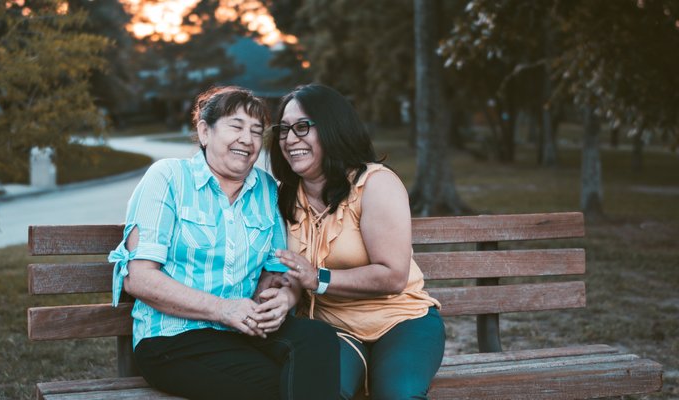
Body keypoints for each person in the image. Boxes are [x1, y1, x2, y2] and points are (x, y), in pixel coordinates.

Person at [108, 86, 340, 400]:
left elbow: (275, 270)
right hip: (173, 339)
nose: (248, 139)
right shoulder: (168, 178)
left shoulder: (268, 190)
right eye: (236, 126)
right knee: (279, 385)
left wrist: (277, 298)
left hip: (241, 330)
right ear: (205, 131)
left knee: (317, 339)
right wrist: (222, 309)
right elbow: (139, 278)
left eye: (257, 131)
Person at [267, 84, 446, 400]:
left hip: (401, 322)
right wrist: (283, 295)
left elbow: (392, 276)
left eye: (302, 127)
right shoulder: (283, 196)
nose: (290, 139)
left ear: (333, 128)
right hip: (332, 329)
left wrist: (318, 278)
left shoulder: (375, 184)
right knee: (321, 391)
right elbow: (289, 272)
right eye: (283, 129)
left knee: (398, 395)